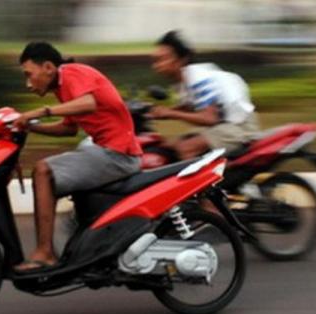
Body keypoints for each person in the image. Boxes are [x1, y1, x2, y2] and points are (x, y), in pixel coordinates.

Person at [13, 42, 142, 272]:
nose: (28, 84)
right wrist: (30, 127)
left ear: (49, 67)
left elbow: (88, 103)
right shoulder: (63, 88)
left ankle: (45, 253)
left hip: (118, 154)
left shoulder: (73, 73)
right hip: (107, 151)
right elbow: (68, 129)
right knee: (57, 166)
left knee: (44, 171)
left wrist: (41, 112)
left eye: (29, 75)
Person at [147, 30, 259, 159]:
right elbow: (188, 108)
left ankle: (217, 178)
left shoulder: (198, 78)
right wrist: (152, 112)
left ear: (181, 60)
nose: (156, 65)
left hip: (239, 126)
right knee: (169, 145)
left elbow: (209, 118)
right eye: (155, 61)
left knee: (185, 148)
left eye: (161, 60)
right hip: (222, 125)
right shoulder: (182, 81)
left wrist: (170, 113)